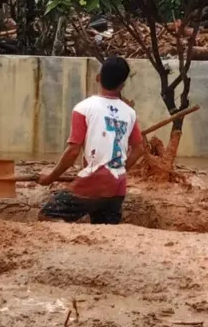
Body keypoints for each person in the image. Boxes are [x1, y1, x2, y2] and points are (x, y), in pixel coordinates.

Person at [38, 56, 144, 224]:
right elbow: (138, 149)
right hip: (118, 187)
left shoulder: (83, 108)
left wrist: (51, 177)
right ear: (122, 85)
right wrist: (119, 170)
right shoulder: (130, 113)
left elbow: (73, 151)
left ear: (98, 77)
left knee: (49, 214)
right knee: (105, 227)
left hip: (92, 182)